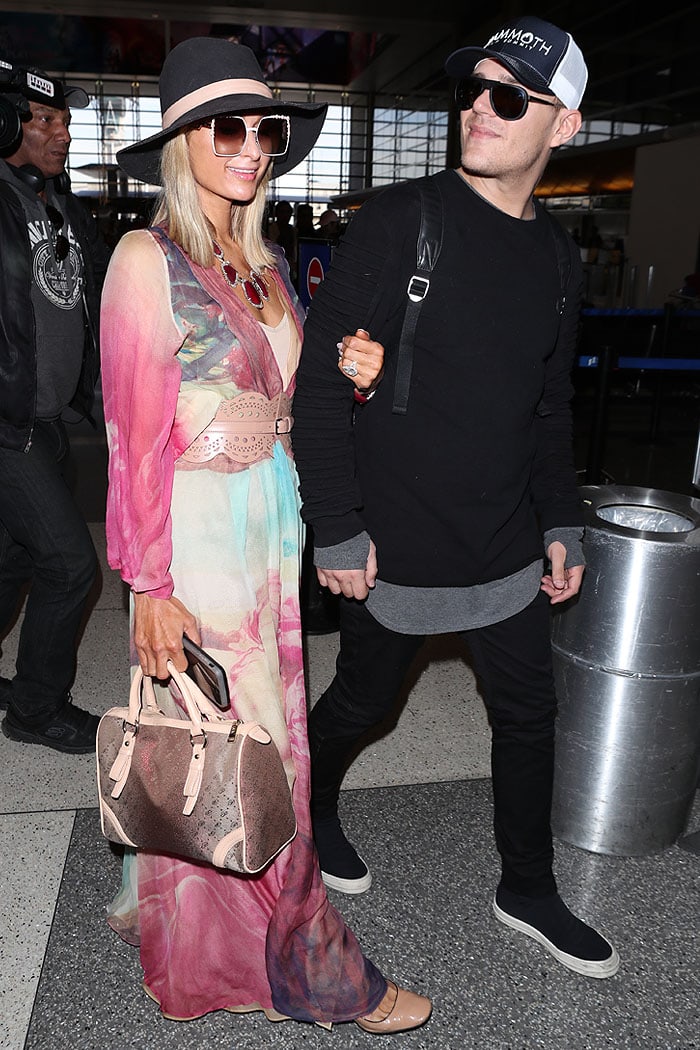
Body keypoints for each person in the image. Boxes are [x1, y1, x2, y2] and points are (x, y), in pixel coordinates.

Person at [99, 36, 431, 1033]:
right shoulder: (140, 258)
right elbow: (129, 440)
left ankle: (192, 936)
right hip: (195, 540)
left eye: (264, 128)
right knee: (257, 756)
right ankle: (317, 968)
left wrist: (349, 372)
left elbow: (291, 396)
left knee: (231, 750)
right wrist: (148, 583)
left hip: (267, 532)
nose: (250, 147)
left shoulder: (264, 261)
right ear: (180, 143)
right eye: (225, 128)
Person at [292, 15, 621, 980]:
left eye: (510, 97)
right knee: (360, 700)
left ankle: (525, 886)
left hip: (507, 542)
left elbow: (548, 408)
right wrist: (340, 529)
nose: (480, 108)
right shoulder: (399, 221)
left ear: (562, 126)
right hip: (398, 540)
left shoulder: (559, 261)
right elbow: (320, 389)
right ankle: (308, 813)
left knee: (530, 714)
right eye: (474, 90)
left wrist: (562, 519)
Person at [0, 63, 109, 754]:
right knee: (72, 567)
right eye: (45, 119)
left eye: (65, 120)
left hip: (50, 420)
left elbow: (98, 286)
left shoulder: (59, 204)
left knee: (14, 559)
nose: (61, 133)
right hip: (7, 427)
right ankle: (37, 708)